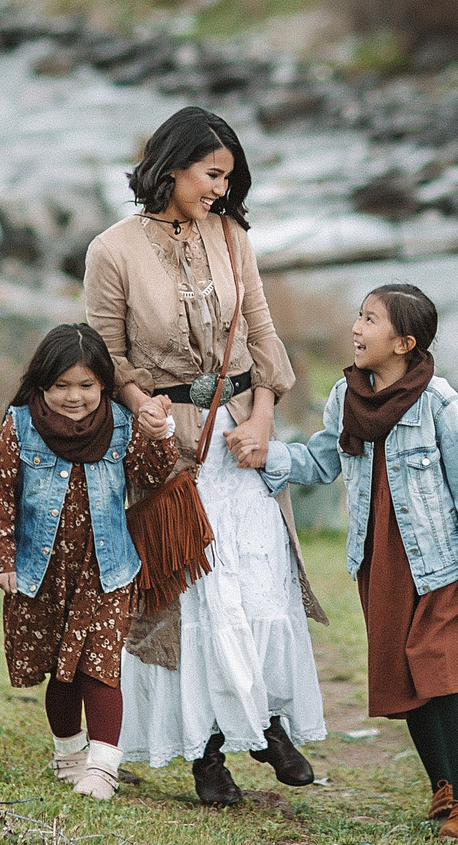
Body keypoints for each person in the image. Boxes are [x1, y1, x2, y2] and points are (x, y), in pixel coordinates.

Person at [84, 105, 328, 806]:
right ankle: (210, 751)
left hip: (238, 434)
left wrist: (263, 418)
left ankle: (268, 723)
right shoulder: (113, 249)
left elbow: (260, 330)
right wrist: (141, 408)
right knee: (197, 591)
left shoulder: (231, 235)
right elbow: (106, 352)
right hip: (167, 441)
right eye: (212, 174)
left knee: (258, 582)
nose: (221, 189)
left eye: (228, 177)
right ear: (173, 164)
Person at [266, 284, 458, 841]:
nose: (356, 327)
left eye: (370, 320)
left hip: (440, 558)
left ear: (404, 342)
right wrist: (267, 456)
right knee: (409, 678)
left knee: (444, 673)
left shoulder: (439, 402)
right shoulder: (343, 398)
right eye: (358, 315)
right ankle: (441, 787)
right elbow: (323, 461)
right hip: (380, 559)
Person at [0, 323, 181, 802]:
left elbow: (151, 475)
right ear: (42, 385)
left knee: (100, 667)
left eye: (86, 385)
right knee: (58, 668)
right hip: (39, 571)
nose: (75, 397)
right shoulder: (21, 424)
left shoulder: (120, 423)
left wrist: (159, 433)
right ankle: (69, 754)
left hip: (105, 569)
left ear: (104, 385)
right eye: (61, 386)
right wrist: (1, 556)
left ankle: (104, 765)